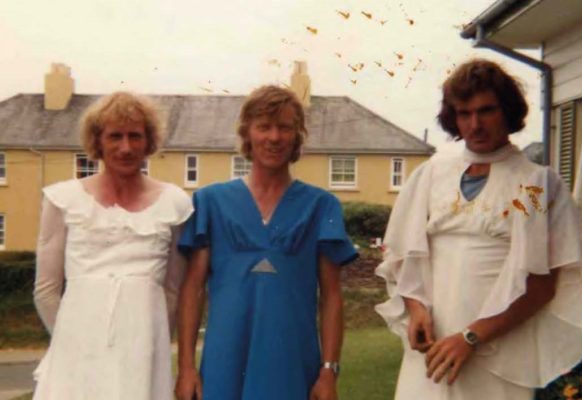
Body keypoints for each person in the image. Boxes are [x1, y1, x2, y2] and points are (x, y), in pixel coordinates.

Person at [375, 59, 582, 399]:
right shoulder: (433, 174)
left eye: (486, 111)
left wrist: (470, 337)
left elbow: (540, 285)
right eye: (464, 114)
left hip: (498, 354)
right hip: (432, 352)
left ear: (508, 111)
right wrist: (416, 309)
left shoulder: (533, 186)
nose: (475, 124)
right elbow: (405, 253)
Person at [175, 85, 358, 400]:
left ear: (297, 135)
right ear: (247, 133)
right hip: (224, 361)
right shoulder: (210, 202)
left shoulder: (321, 206)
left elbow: (331, 297)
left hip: (291, 362)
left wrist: (329, 371)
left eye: (284, 127)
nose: (274, 137)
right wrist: (187, 367)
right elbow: (193, 288)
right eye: (264, 127)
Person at [33, 92, 193, 399]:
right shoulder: (63, 200)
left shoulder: (175, 203)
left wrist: (151, 343)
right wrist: (72, 343)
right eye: (115, 136)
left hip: (142, 347)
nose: (125, 147)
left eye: (135, 136)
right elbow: (46, 290)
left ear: (149, 142)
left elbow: (173, 290)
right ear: (98, 141)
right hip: (76, 345)